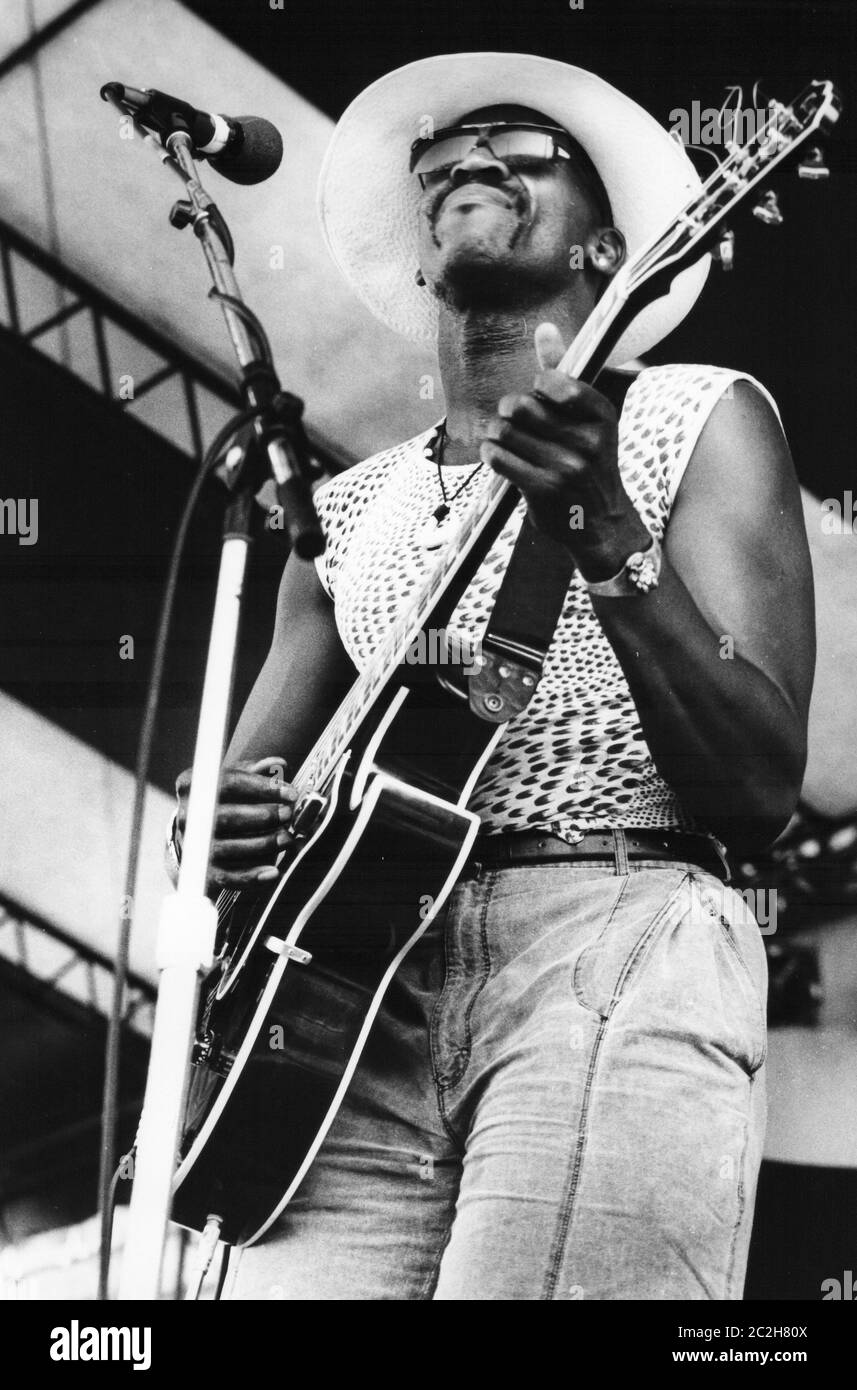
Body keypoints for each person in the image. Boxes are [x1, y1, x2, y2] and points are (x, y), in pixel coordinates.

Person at [171, 53, 814, 1299]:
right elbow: (234, 786)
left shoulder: (695, 415)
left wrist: (598, 520)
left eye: (519, 153)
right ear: (422, 260)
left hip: (610, 934)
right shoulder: (341, 511)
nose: (468, 166)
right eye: (442, 166)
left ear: (608, 245)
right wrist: (218, 828)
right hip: (346, 1005)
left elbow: (754, 785)